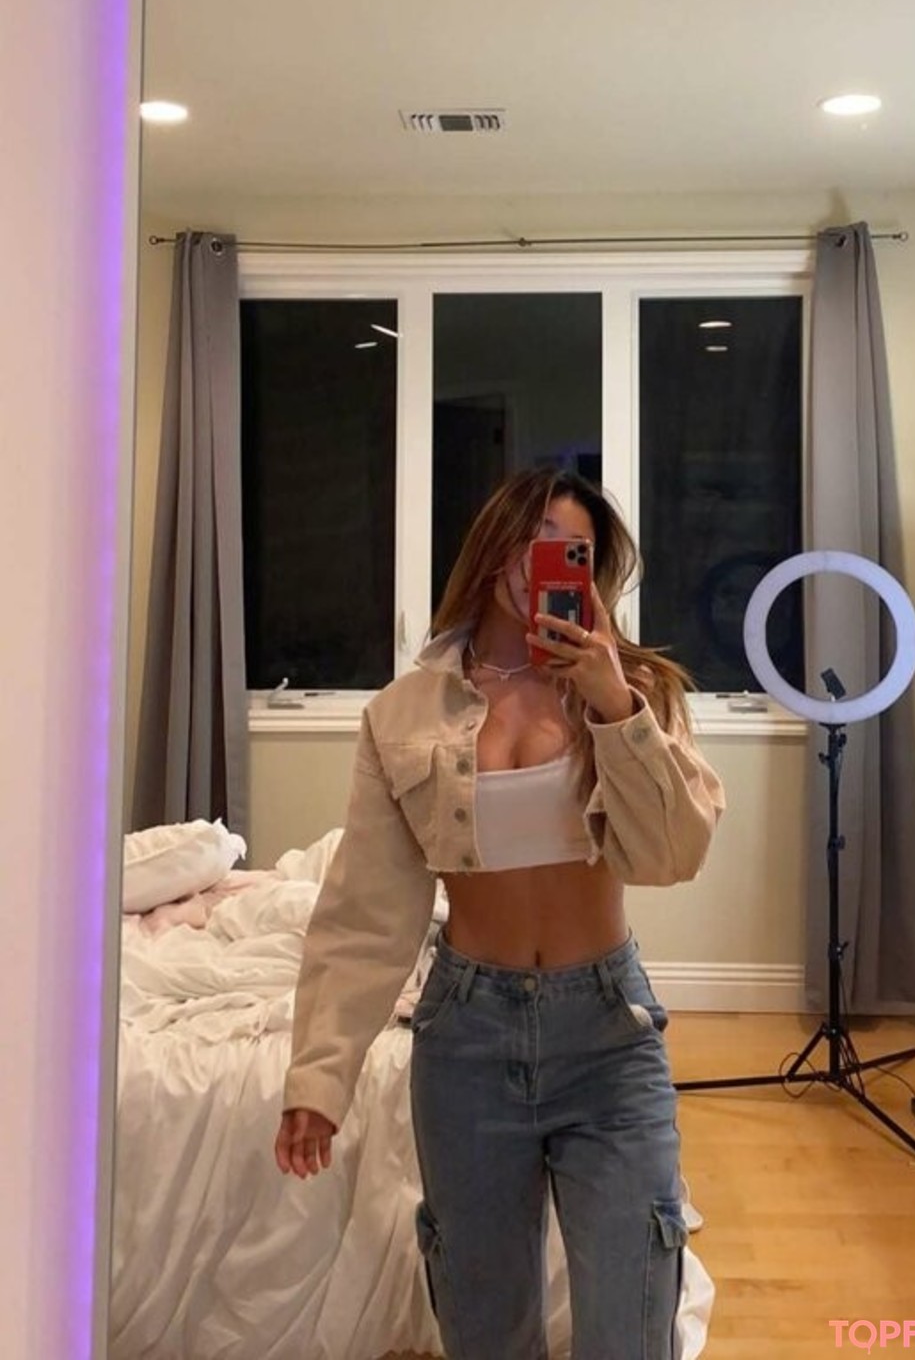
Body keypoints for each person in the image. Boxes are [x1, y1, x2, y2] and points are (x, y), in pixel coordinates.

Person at [275, 465, 725, 1360]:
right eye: (538, 544)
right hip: (467, 1039)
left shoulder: (634, 688)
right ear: (492, 551)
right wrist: (318, 1078)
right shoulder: (404, 714)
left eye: (576, 553)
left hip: (608, 1032)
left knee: (631, 1320)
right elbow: (366, 911)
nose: (551, 566)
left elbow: (676, 853)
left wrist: (614, 707)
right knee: (485, 1327)